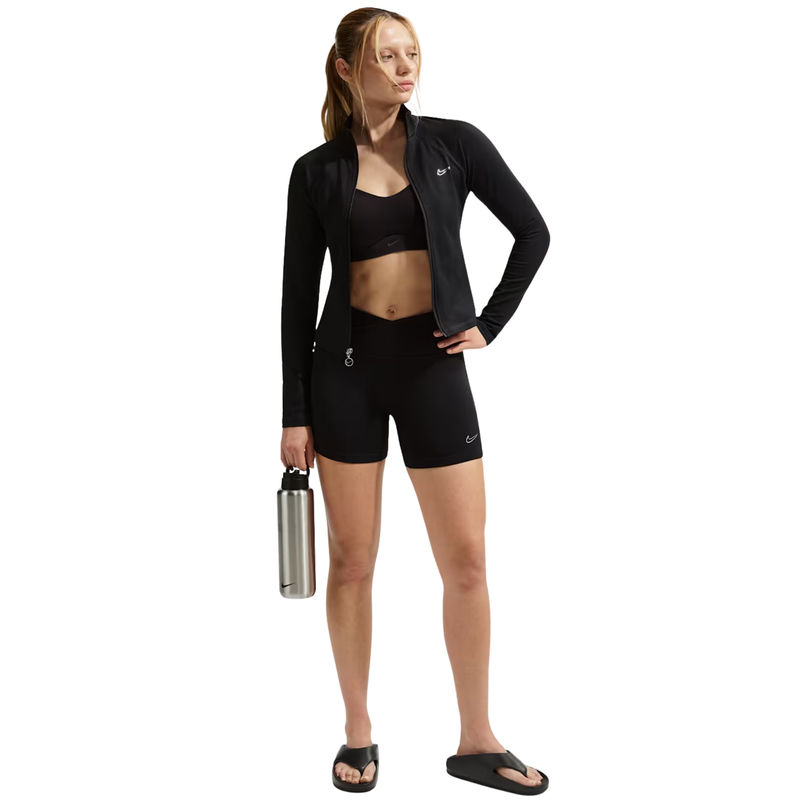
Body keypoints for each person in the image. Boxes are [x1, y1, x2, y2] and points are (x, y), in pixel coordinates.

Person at [279, 8, 551, 795]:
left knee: (467, 562)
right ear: (346, 68)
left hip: (434, 370)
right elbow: (296, 299)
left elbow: (533, 233)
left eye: (412, 54)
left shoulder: (455, 145)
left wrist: (487, 324)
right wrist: (294, 412)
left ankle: (476, 740)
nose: (405, 68)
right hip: (345, 377)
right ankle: (358, 733)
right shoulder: (315, 171)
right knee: (352, 561)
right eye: (386, 55)